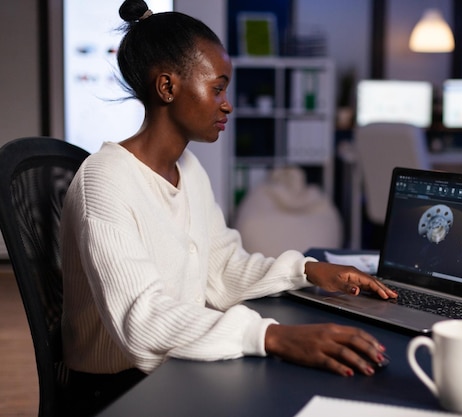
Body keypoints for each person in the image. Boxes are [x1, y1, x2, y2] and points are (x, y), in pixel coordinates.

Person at [60, 1, 397, 415]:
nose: (228, 105)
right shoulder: (105, 180)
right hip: (118, 391)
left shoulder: (188, 169)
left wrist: (306, 270)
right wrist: (273, 337)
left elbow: (220, 271)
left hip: (170, 368)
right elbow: (142, 320)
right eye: (217, 88)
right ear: (167, 87)